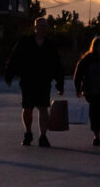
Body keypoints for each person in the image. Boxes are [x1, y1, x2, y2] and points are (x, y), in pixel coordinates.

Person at [7, 19, 65, 147]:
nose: (42, 28)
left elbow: (57, 65)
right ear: (35, 27)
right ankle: (28, 133)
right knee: (27, 108)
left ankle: (43, 136)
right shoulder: (25, 42)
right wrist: (9, 75)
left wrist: (60, 84)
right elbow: (14, 58)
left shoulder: (50, 45)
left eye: (45, 26)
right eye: (40, 26)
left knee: (43, 108)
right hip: (27, 81)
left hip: (44, 81)